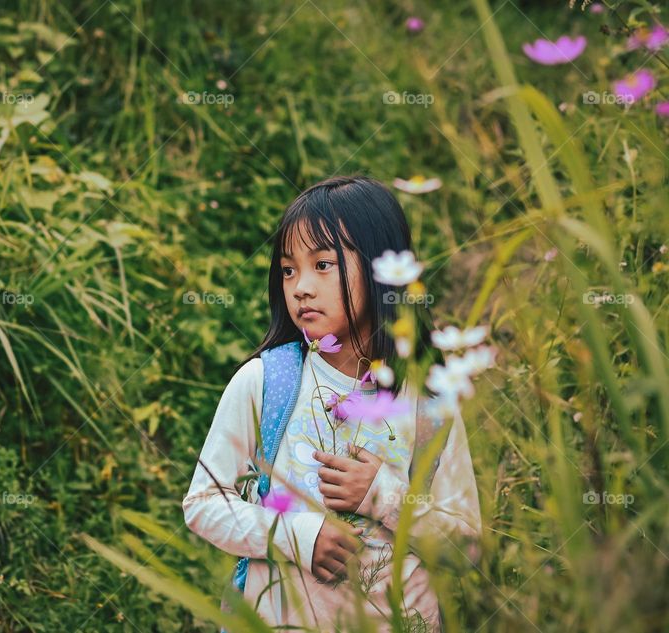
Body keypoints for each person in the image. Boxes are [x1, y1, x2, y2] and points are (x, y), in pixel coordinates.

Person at [182, 175, 482, 631]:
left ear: (382, 268)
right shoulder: (267, 382)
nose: (300, 287)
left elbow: (468, 550)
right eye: (288, 269)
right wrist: (298, 536)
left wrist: (381, 496)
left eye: (323, 264)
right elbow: (203, 503)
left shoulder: (430, 400)